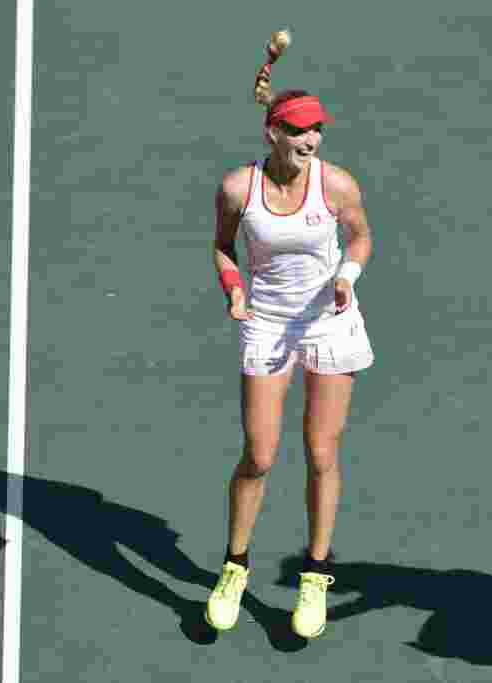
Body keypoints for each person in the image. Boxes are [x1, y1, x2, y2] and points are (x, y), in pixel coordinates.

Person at [205, 29, 375, 639]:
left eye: (317, 130)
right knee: (259, 455)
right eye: (299, 130)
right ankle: (234, 566)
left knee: (322, 455)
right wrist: (233, 288)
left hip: (330, 322)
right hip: (268, 325)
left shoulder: (335, 183)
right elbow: (224, 247)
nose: (311, 139)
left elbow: (360, 235)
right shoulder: (237, 188)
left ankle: (315, 575)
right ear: (273, 132)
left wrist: (348, 275)